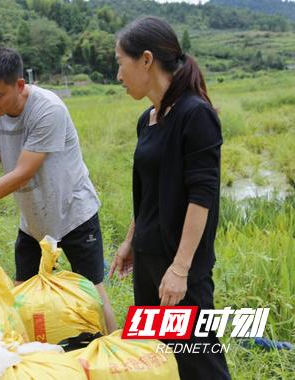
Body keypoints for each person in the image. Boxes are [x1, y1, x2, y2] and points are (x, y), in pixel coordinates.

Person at [0, 46, 117, 332]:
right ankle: (29, 359)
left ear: (19, 85)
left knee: (93, 293)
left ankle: (115, 352)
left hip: (73, 213)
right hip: (33, 221)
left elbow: (21, 173)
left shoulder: (47, 109)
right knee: (22, 291)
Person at [108, 17, 230, 380]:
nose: (118, 75)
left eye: (120, 62)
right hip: (147, 259)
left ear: (146, 60)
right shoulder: (148, 119)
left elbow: (202, 196)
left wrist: (180, 269)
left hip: (180, 266)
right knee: (157, 358)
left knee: (198, 362)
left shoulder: (196, 115)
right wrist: (130, 241)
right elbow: (147, 192)